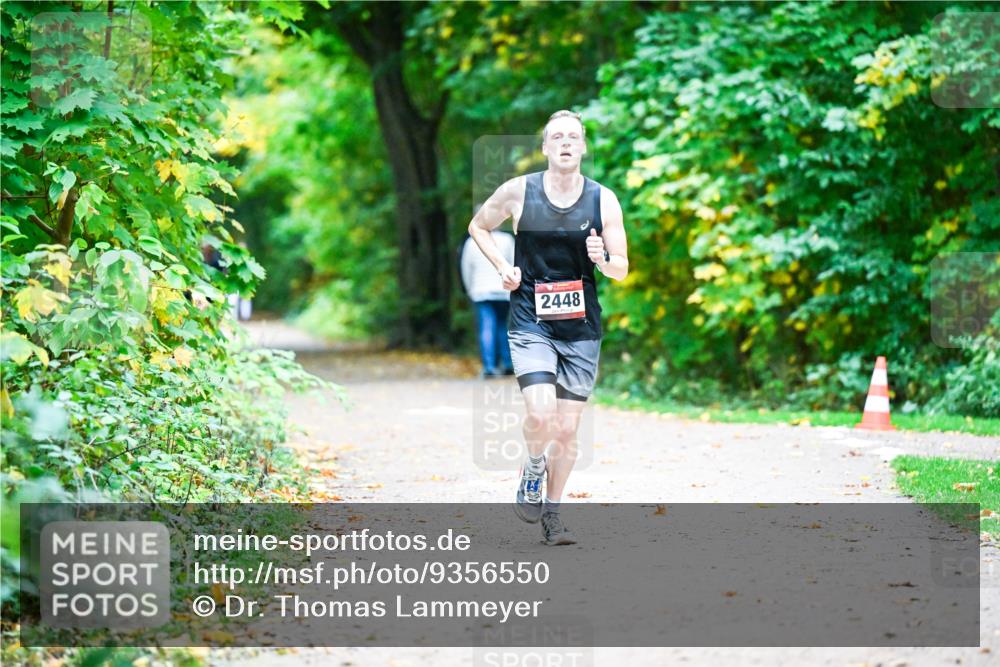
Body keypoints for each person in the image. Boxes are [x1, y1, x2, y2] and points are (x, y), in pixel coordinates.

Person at [467, 110, 629, 545]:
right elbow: (478, 226)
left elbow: (622, 270)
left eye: (573, 136)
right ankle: (533, 466)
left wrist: (601, 259)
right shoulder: (519, 192)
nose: (565, 143)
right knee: (540, 416)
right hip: (530, 322)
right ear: (544, 148)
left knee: (568, 429)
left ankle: (553, 515)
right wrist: (503, 265)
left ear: (583, 146)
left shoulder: (603, 199)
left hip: (581, 329)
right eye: (556, 136)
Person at [460, 227, 516, 378]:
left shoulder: (471, 242)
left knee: (486, 327)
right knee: (503, 326)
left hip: (480, 290)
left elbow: (466, 268)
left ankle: (489, 366)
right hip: (503, 291)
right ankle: (507, 364)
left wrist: (469, 289)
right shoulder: (507, 240)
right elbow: (514, 264)